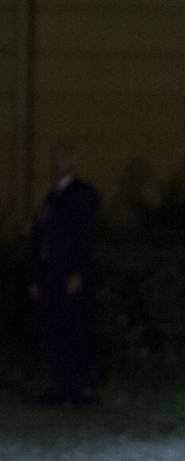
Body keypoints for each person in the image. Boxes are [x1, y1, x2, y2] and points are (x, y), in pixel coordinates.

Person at [28, 143, 99, 405]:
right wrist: (35, 276)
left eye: (63, 158)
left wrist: (78, 272)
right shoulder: (52, 196)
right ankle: (60, 386)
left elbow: (84, 237)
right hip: (50, 275)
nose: (57, 163)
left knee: (74, 330)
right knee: (55, 331)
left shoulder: (83, 194)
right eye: (55, 158)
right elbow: (40, 239)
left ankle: (77, 388)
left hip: (68, 274)